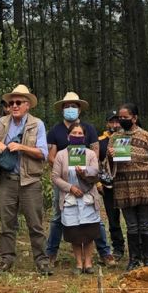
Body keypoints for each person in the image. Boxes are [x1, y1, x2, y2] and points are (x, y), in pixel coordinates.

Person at [0, 85, 51, 275]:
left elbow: (43, 153)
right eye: (11, 103)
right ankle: (6, 259)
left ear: (27, 105)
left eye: (18, 102)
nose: (14, 106)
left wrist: (21, 147)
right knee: (6, 223)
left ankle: (42, 261)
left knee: (35, 223)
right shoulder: (1, 123)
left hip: (30, 181)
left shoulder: (38, 124)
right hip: (6, 180)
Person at [46, 92, 115, 267]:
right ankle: (51, 253)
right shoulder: (55, 130)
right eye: (67, 105)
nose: (70, 109)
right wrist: (64, 167)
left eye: (74, 106)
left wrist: (86, 173)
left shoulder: (89, 128)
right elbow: (51, 155)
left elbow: (95, 153)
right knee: (57, 217)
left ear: (79, 109)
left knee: (94, 218)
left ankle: (104, 253)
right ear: (62, 108)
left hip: (87, 181)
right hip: (64, 181)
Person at [105, 102, 148, 270]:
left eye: (125, 117)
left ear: (134, 118)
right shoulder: (114, 138)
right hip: (124, 187)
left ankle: (147, 260)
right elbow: (109, 166)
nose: (121, 120)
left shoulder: (147, 136)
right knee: (132, 225)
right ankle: (134, 260)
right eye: (120, 118)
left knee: (145, 224)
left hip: (145, 187)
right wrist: (111, 156)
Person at [52, 122, 104, 273]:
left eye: (80, 134)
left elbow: (96, 173)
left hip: (88, 198)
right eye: (74, 133)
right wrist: (71, 188)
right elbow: (55, 177)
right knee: (74, 233)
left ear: (84, 137)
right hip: (70, 199)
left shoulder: (90, 154)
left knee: (88, 233)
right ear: (68, 136)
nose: (77, 135)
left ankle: (88, 263)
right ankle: (78, 263)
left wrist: (85, 173)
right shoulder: (61, 155)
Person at [98, 111, 125, 259]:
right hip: (107, 185)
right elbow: (94, 161)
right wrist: (97, 183)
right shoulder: (100, 140)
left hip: (125, 183)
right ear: (107, 123)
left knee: (130, 217)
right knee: (113, 218)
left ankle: (136, 246)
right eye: (112, 122)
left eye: (118, 121)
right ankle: (118, 247)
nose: (115, 125)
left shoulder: (126, 138)